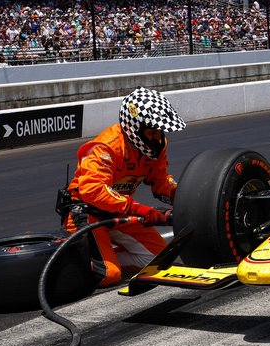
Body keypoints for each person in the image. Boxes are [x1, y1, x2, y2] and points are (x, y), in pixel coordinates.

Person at [61, 87, 186, 287]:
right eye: (153, 132)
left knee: (161, 261)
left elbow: (160, 181)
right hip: (86, 213)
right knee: (108, 276)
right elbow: (92, 189)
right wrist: (139, 209)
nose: (158, 137)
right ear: (134, 127)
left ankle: (105, 257)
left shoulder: (156, 145)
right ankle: (83, 259)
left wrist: (183, 195)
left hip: (119, 212)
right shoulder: (106, 147)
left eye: (159, 131)